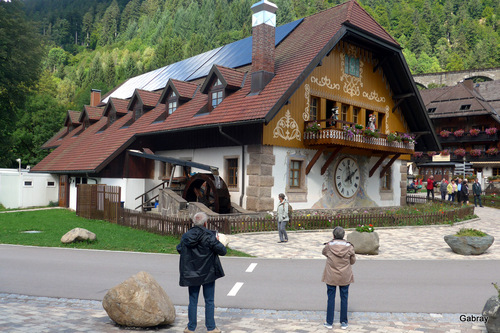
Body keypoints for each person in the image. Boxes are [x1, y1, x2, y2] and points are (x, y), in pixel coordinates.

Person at [177, 212, 226, 333]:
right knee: (209, 300)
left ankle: (191, 327)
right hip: (208, 273)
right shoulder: (209, 236)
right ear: (205, 223)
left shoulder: (186, 236)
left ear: (194, 222)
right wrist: (218, 241)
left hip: (192, 273)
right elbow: (222, 251)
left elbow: (179, 248)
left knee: (192, 300)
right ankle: (211, 328)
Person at [322, 226, 356, 330]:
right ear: (343, 235)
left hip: (331, 275)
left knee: (331, 298)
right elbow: (353, 261)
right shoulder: (349, 247)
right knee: (344, 298)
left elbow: (324, 253)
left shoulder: (329, 246)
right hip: (345, 275)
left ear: (333, 235)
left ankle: (329, 322)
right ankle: (344, 322)